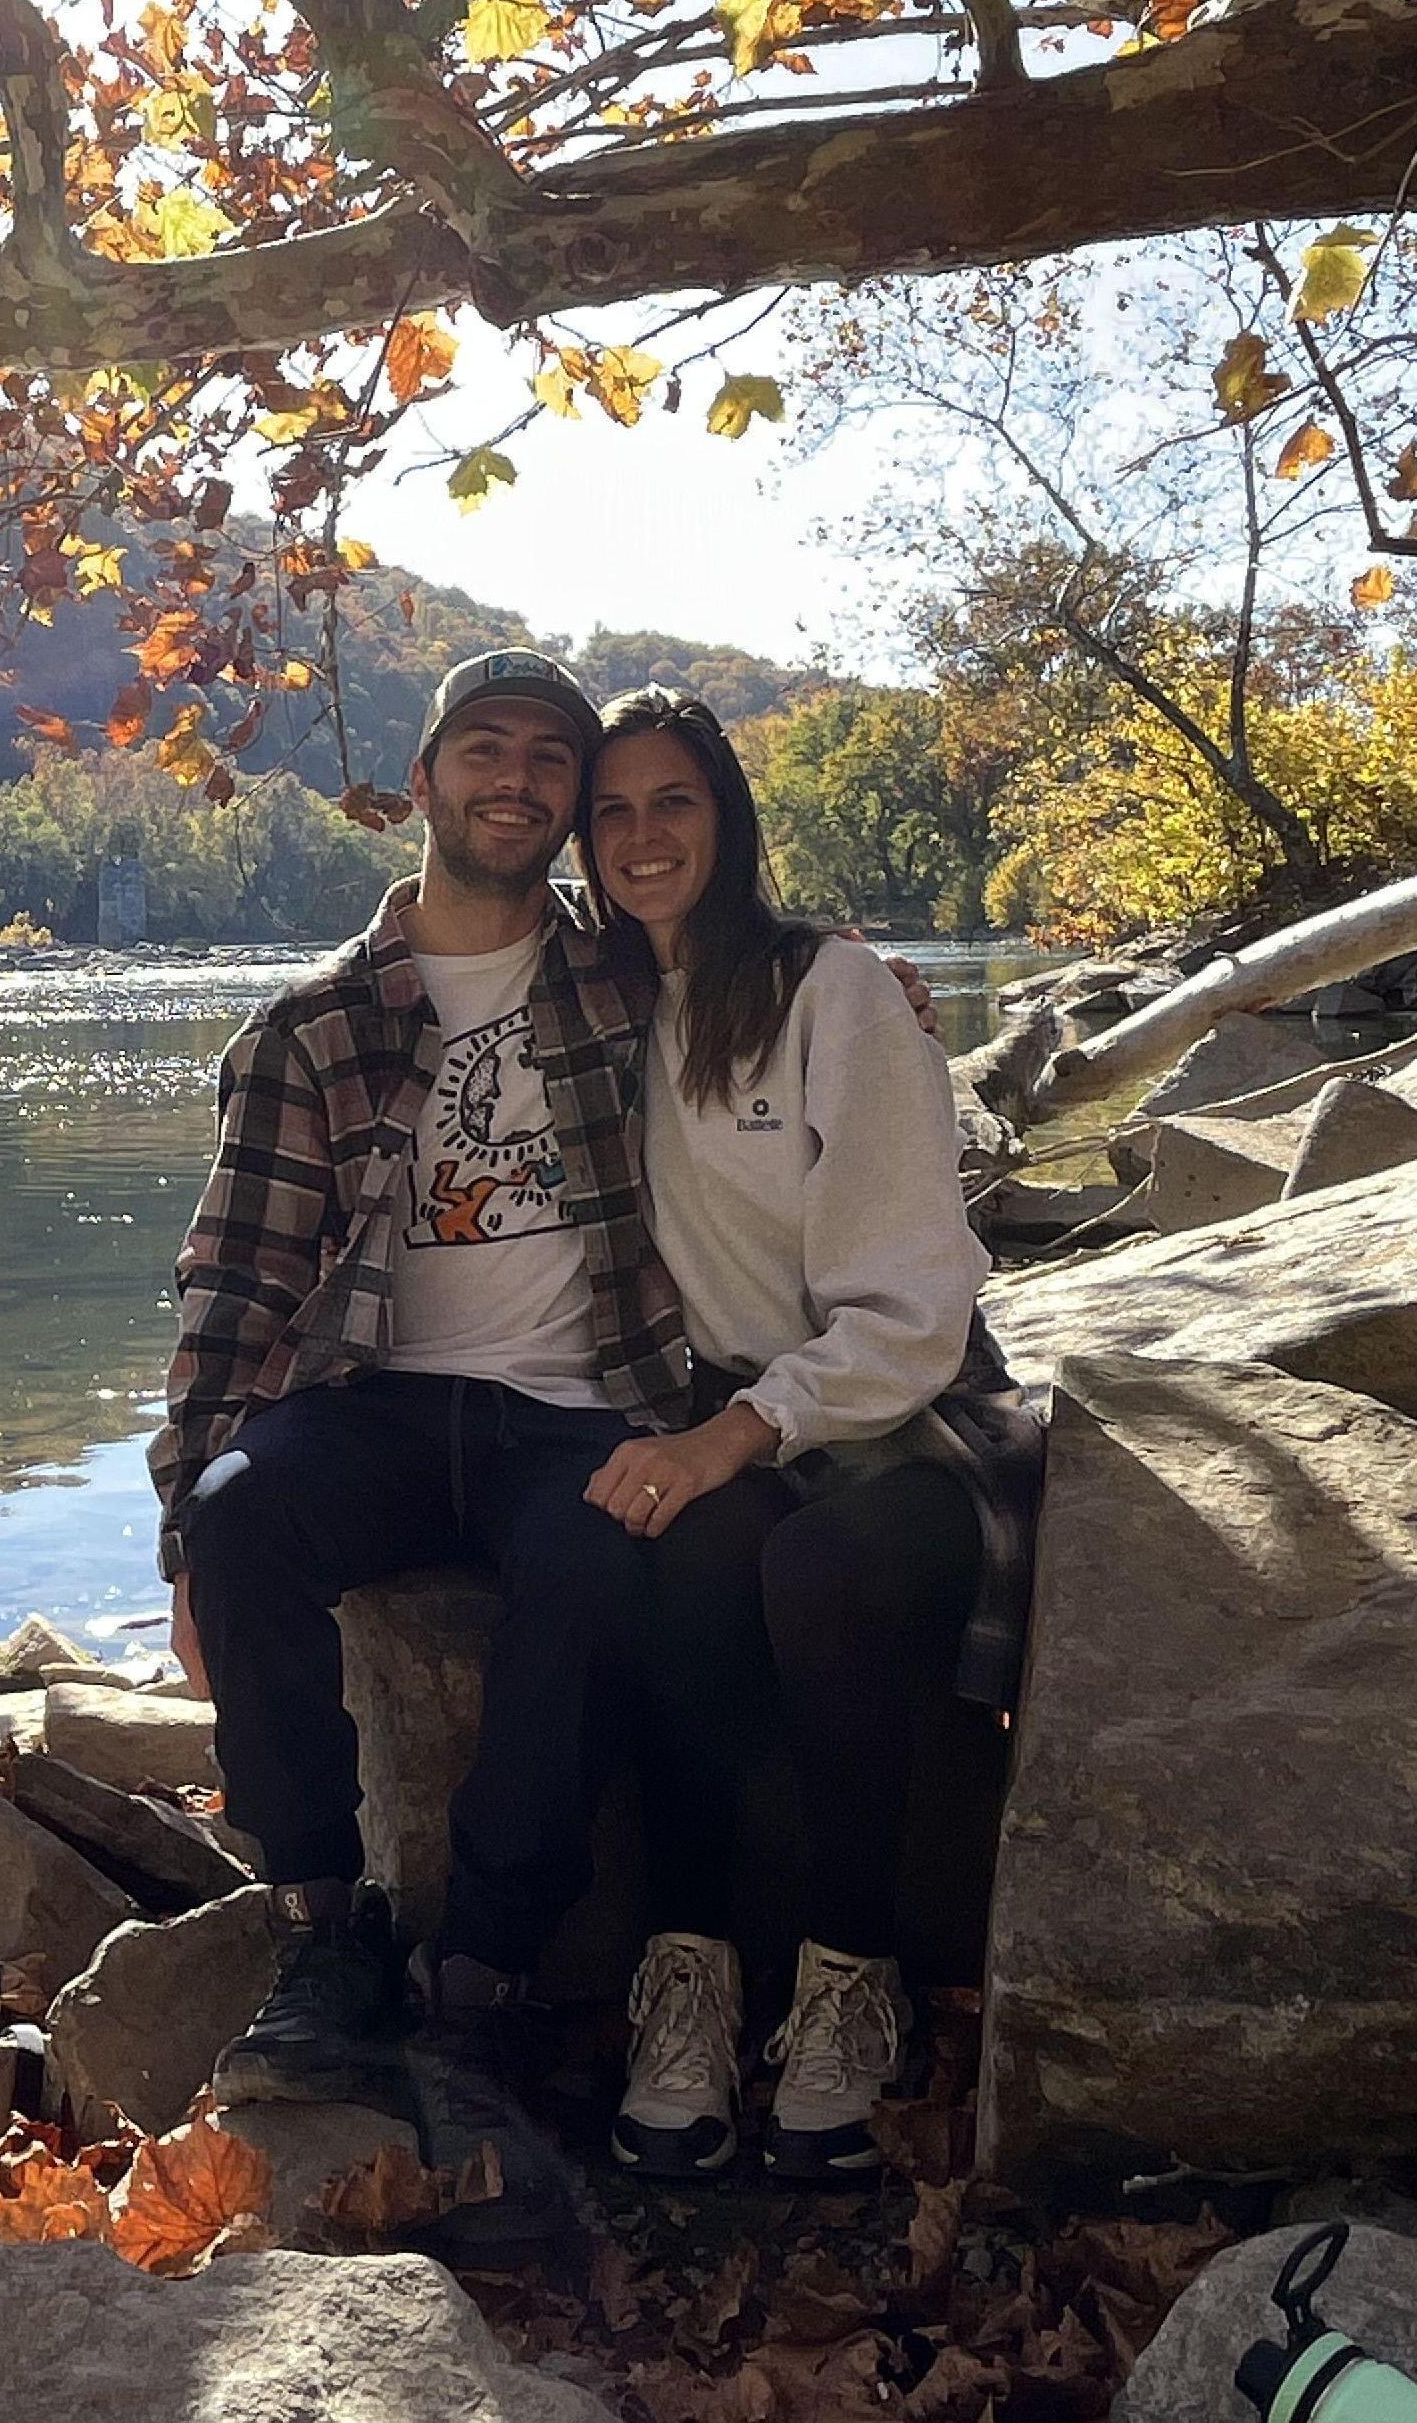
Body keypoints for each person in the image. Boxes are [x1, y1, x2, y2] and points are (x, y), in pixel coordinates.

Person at [152, 646, 693, 2244]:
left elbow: (777, 1031)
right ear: (426, 775)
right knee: (249, 1515)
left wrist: (867, 991)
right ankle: (324, 1920)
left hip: (575, 1403)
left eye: (547, 758)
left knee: (593, 1560)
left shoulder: (634, 984)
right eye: (485, 748)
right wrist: (183, 1515)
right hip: (374, 1402)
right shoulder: (311, 1027)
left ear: (570, 805)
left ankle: (482, 1969)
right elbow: (238, 1280)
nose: (514, 778)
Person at [571, 687, 1040, 2185]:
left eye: (674, 802)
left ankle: (851, 1980)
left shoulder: (831, 992)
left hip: (904, 1414)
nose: (643, 837)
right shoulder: (596, 1011)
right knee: (668, 1554)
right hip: (739, 1410)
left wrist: (737, 1429)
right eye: (614, 810)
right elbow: (439, 932)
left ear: (728, 818)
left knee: (824, 1570)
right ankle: (689, 1976)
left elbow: (913, 1309)